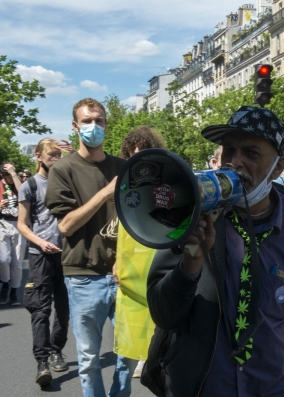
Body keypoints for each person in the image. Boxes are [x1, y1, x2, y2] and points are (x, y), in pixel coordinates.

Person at [146, 105, 284, 397]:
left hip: (280, 386)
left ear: (278, 166)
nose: (236, 163)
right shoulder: (192, 213)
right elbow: (165, 315)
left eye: (251, 153)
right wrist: (190, 265)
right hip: (208, 388)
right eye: (229, 150)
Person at [45, 98, 136, 397]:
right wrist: (105, 193)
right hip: (84, 275)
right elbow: (65, 226)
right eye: (87, 121)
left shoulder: (123, 167)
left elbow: (135, 220)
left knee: (129, 352)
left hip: (124, 276)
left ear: (107, 124)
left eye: (99, 120)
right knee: (89, 358)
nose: (93, 126)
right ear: (75, 127)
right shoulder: (63, 169)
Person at [17, 138, 69, 386]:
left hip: (67, 255)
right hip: (40, 257)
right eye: (51, 155)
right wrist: (39, 242)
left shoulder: (67, 181)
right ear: (38, 156)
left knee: (64, 309)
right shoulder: (29, 185)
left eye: (59, 155)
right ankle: (42, 362)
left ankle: (56, 349)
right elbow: (21, 224)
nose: (56, 159)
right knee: (41, 310)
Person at [115, 126, 165, 379]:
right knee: (138, 306)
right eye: (134, 154)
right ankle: (142, 354)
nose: (140, 158)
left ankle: (158, 354)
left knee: (162, 305)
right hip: (134, 259)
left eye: (144, 151)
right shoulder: (125, 185)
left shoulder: (168, 179)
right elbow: (123, 225)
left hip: (161, 254)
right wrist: (117, 261)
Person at [0, 161, 25, 305]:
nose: (9, 177)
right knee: (3, 259)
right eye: (6, 174)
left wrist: (14, 175)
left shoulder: (20, 184)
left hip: (19, 224)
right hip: (2, 223)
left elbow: (23, 192)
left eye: (11, 173)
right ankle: (4, 282)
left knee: (17, 263)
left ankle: (14, 291)